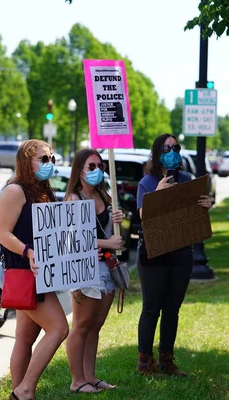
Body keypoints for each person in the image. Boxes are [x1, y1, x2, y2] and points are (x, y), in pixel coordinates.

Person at [0, 139, 69, 400]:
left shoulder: (43, 189)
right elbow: (2, 234)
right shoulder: (15, 191)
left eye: (52, 159)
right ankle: (25, 390)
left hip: (41, 271)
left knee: (25, 337)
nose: (50, 164)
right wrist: (27, 251)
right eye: (44, 159)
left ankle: (19, 392)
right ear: (27, 161)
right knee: (59, 328)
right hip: (25, 272)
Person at [135, 134, 213, 377]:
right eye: (167, 147)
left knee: (172, 309)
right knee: (151, 308)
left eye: (175, 147)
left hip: (181, 252)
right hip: (154, 253)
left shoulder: (187, 180)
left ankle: (167, 360)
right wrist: (158, 192)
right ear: (157, 153)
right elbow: (142, 215)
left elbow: (193, 215)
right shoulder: (147, 182)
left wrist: (206, 204)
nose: (172, 151)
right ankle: (144, 363)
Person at [63, 148, 125, 393]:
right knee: (82, 324)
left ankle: (90, 376)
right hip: (85, 269)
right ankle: (77, 381)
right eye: (91, 166)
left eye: (100, 165)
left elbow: (109, 232)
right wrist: (108, 243)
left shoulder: (105, 196)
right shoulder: (73, 200)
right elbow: (73, 238)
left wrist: (118, 222)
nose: (97, 170)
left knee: (96, 325)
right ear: (79, 170)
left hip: (108, 267)